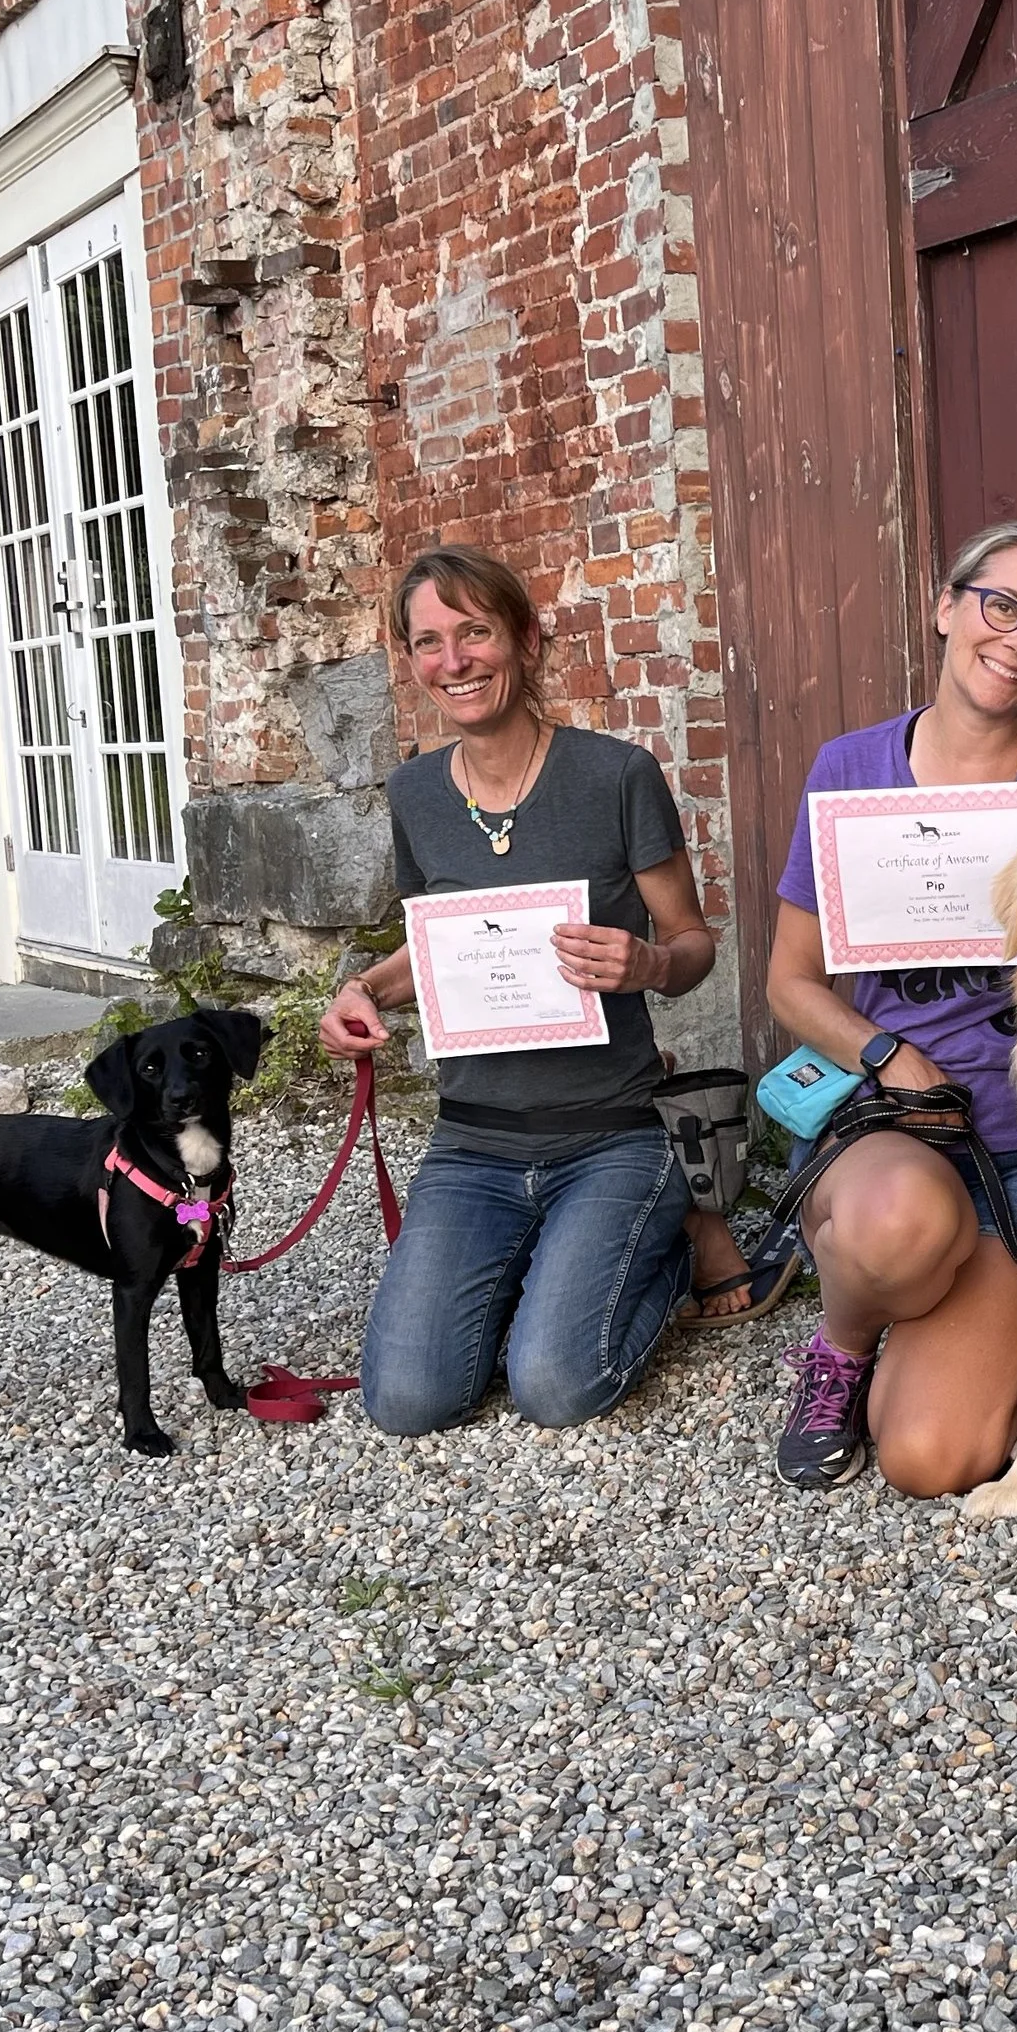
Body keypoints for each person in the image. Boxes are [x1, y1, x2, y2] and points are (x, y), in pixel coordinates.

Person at [319, 544, 759, 1431]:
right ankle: (548, 1264)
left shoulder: (615, 776)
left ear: (521, 638)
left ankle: (674, 1244)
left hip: (611, 1135)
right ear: (410, 662)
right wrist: (361, 987)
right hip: (472, 1145)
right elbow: (439, 949)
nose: (455, 661)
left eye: (475, 632)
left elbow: (692, 942)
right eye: (430, 642)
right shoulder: (413, 794)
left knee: (555, 1385)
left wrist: (648, 965)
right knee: (410, 1398)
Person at [766, 521, 1017, 1496]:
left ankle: (964, 1324)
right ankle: (843, 1347)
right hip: (897, 1129)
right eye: (1000, 605)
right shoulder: (848, 769)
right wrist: (884, 1049)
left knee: (931, 1459)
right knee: (896, 1223)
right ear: (947, 606)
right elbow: (790, 982)